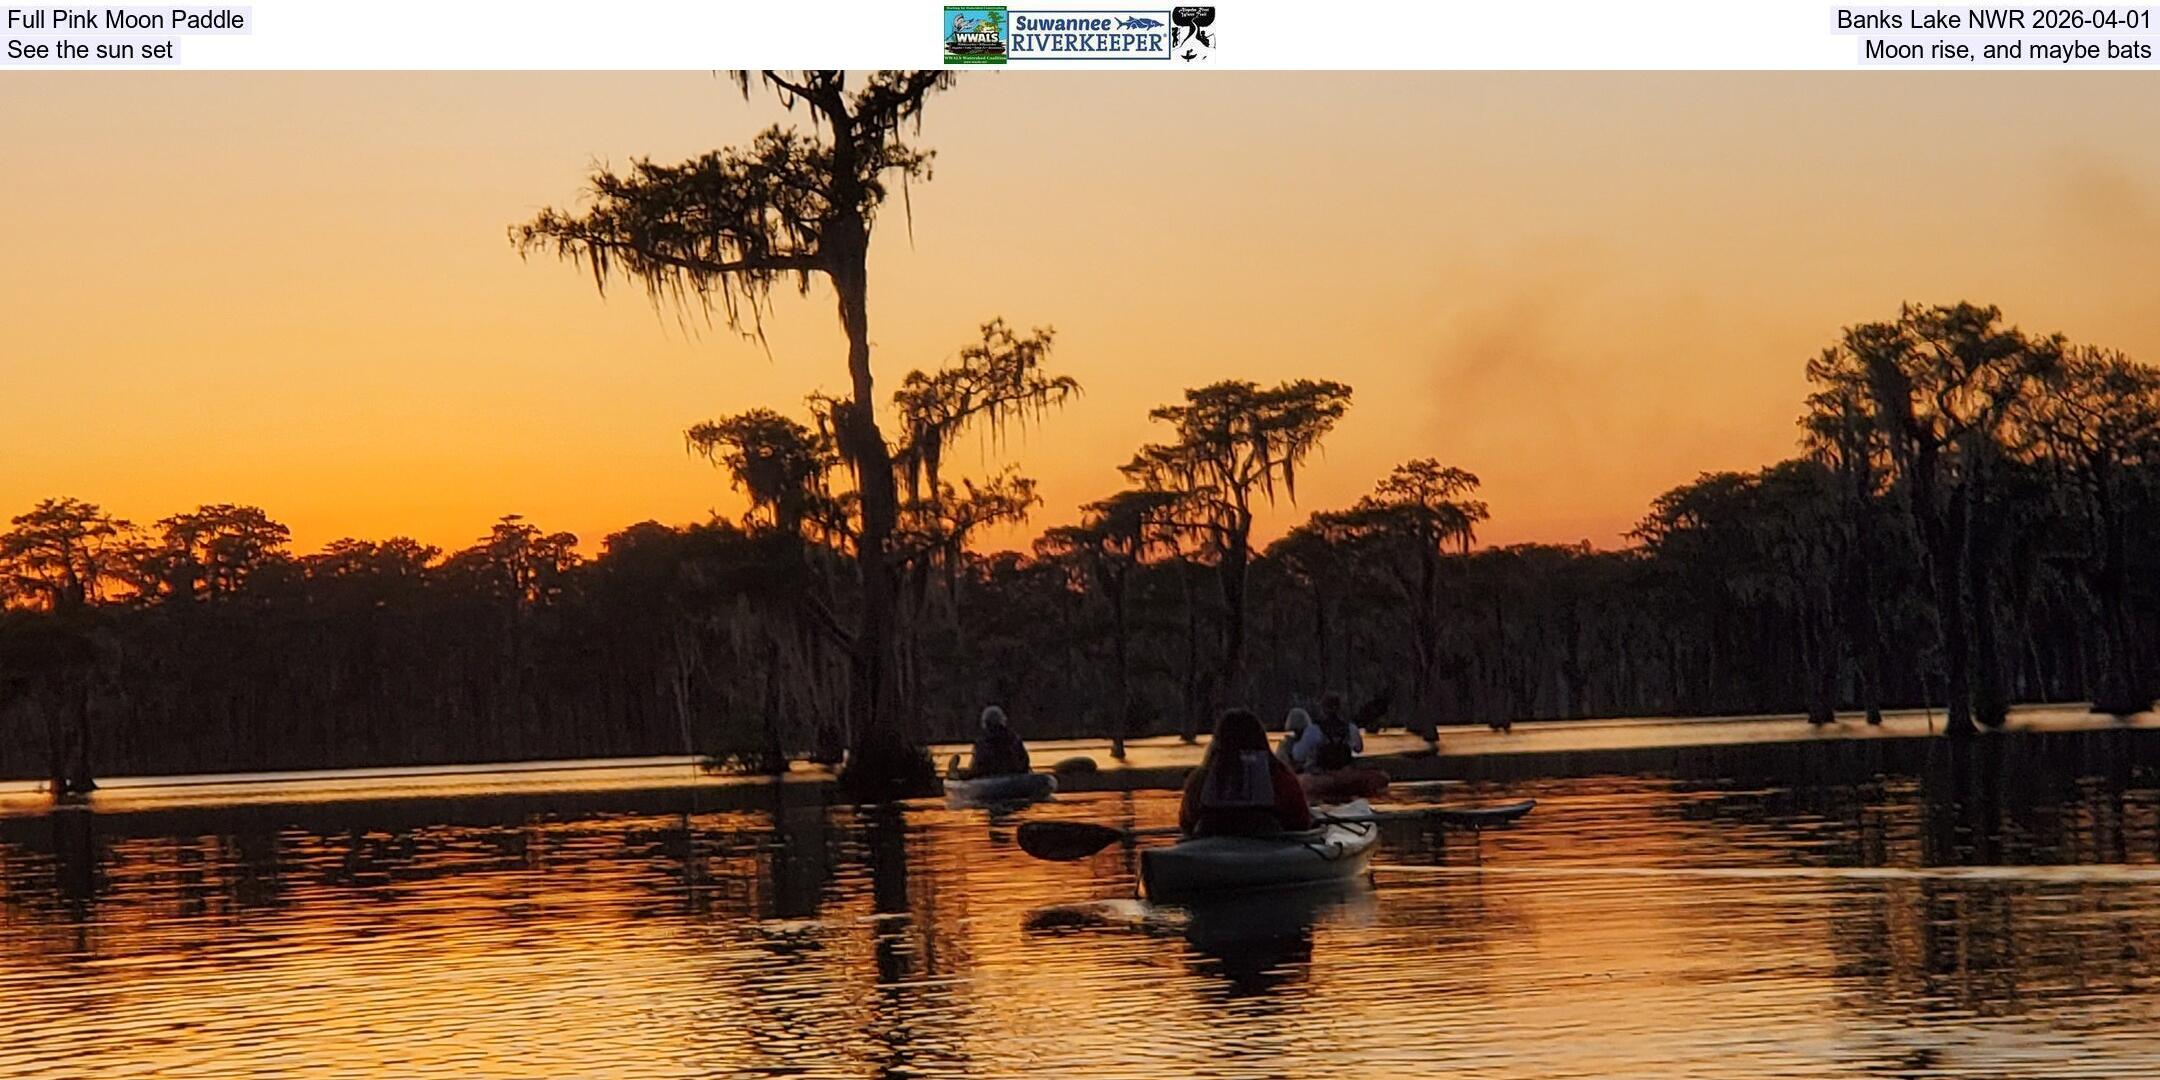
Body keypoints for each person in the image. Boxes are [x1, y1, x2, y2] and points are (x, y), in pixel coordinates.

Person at [1180, 708, 1314, 837]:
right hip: (1269, 843)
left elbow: (1186, 824)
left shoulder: (1198, 780)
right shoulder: (1281, 778)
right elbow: (1301, 822)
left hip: (1210, 843)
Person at [1291, 692, 1363, 772]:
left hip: (1323, 773)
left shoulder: (1313, 730)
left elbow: (1298, 755)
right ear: (1340, 708)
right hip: (1345, 772)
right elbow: (1358, 749)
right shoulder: (1351, 728)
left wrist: (1294, 742)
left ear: (1323, 709)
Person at [965, 705, 1031, 778]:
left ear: (985, 723)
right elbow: (1024, 763)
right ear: (1003, 720)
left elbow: (978, 768)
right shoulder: (1014, 739)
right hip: (1015, 778)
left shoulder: (982, 743)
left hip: (990, 780)